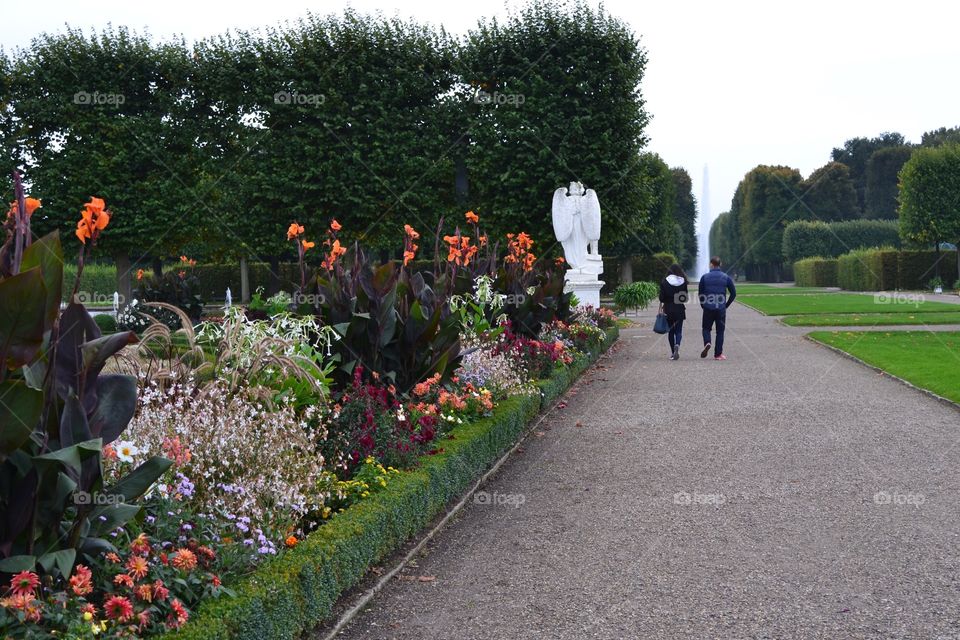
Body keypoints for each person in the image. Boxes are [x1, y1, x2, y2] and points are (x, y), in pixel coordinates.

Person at [698, 256, 736, 360]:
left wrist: (703, 305)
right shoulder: (726, 277)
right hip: (720, 308)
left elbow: (700, 294)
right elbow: (733, 294)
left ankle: (707, 342)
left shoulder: (704, 277)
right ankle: (718, 354)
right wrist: (725, 305)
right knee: (720, 331)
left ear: (711, 264)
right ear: (720, 264)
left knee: (706, 328)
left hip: (708, 307)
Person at [658, 264, 689, 360]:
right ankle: (677, 344)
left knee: (671, 331)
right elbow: (684, 298)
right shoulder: (682, 282)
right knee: (678, 331)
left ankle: (673, 352)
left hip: (668, 309)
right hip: (679, 308)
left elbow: (661, 298)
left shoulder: (664, 282)